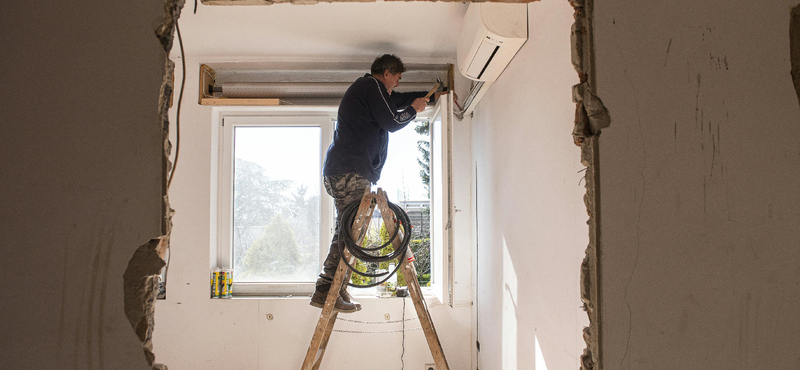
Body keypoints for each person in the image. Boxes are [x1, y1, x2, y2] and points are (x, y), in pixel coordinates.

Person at [309, 54, 445, 313]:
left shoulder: (373, 92)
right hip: (349, 170)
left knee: (351, 232)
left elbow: (397, 100)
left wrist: (432, 96)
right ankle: (326, 288)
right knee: (350, 231)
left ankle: (334, 288)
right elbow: (392, 122)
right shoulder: (369, 86)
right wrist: (414, 111)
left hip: (347, 170)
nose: (396, 84)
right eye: (396, 78)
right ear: (386, 73)